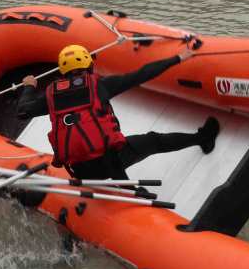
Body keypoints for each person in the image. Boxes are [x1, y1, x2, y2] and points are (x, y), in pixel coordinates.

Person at [16, 44, 220, 180]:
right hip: (110, 164)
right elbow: (142, 74)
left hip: (79, 171)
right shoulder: (101, 85)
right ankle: (204, 138)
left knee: (112, 151)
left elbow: (23, 111)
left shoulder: (52, 95)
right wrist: (178, 57)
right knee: (154, 141)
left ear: (63, 70)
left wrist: (29, 86)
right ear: (88, 63)